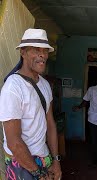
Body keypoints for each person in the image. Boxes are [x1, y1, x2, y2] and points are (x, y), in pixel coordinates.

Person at [0, 28, 62, 180]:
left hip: (44, 157)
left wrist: (56, 160)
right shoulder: (13, 87)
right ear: (23, 52)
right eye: (36, 50)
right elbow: (14, 142)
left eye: (45, 51)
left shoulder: (45, 85)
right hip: (22, 163)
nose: (43, 55)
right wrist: (38, 173)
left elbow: (51, 124)